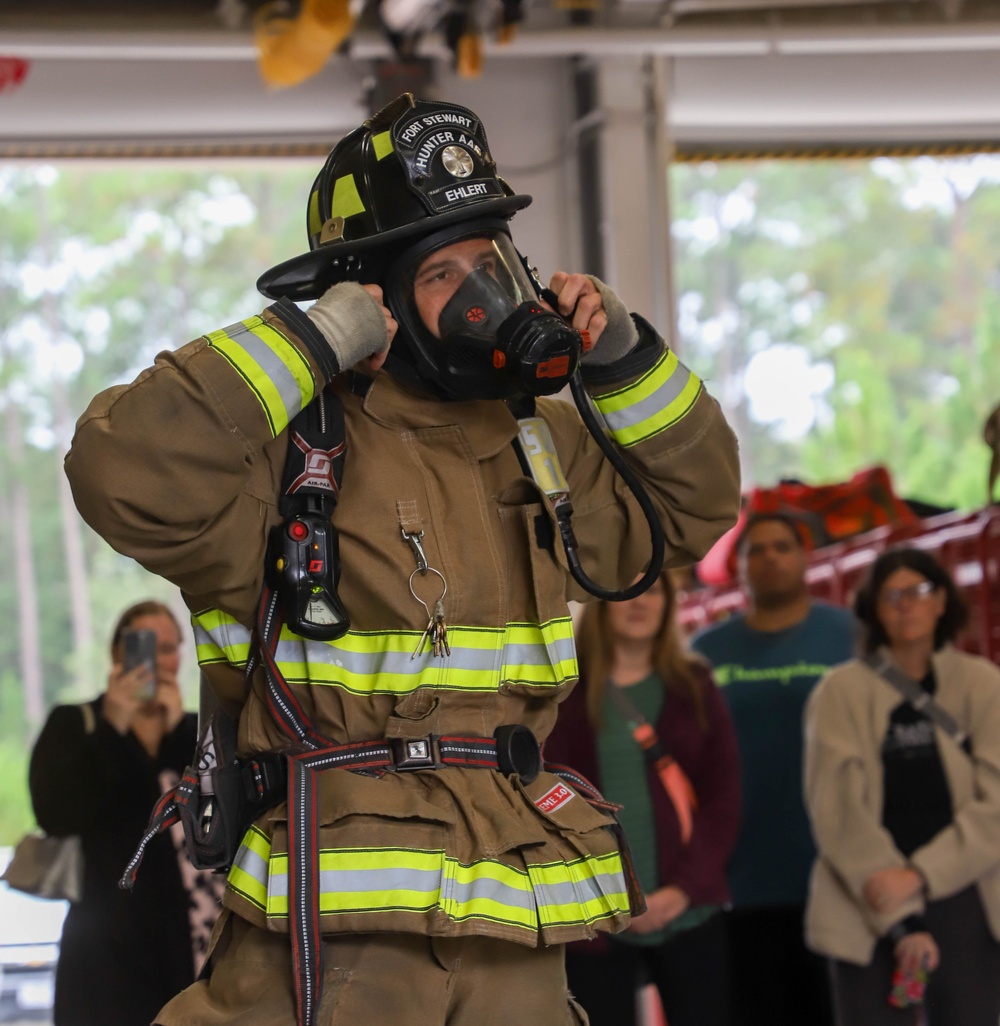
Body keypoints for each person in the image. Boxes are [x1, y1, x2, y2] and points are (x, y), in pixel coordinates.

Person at [64, 93, 741, 1026]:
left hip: (513, 917)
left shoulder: (541, 443)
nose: (485, 295)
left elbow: (690, 512)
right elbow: (119, 470)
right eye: (445, 273)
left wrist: (625, 361)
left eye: (495, 261)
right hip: (334, 936)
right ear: (373, 301)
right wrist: (309, 342)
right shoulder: (288, 456)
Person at [804, 547, 1000, 1025]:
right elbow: (837, 809)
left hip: (967, 894)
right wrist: (901, 913)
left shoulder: (983, 684)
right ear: (872, 609)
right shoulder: (838, 691)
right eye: (891, 595)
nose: (905, 605)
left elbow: (996, 801)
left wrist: (919, 876)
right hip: (867, 897)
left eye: (918, 592)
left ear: (941, 602)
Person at [544, 569, 740, 1026]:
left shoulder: (693, 685)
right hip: (599, 917)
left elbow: (723, 798)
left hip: (689, 908)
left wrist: (682, 890)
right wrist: (613, 897)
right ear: (601, 603)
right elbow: (557, 802)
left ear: (669, 603)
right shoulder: (567, 694)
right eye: (626, 592)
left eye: (652, 590)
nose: (640, 602)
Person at [689, 511, 856, 1026]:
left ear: (805, 559)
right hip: (744, 876)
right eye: (755, 549)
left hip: (838, 870)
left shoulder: (850, 635)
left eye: (782, 546)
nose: (770, 557)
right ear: (738, 567)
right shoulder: (705, 654)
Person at [28, 600, 200, 1026]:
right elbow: (55, 814)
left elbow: (220, 820)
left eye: (168, 647)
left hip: (187, 941)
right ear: (116, 654)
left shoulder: (199, 733)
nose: (156, 660)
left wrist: (179, 733)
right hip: (102, 947)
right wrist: (113, 728)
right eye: (142, 646)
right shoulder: (77, 724)